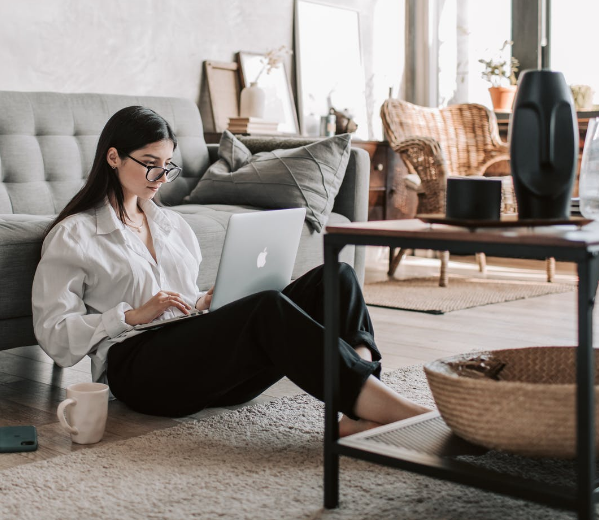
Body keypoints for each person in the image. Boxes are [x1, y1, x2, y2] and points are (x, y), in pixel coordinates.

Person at [32, 106, 430, 436]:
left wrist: (206, 302)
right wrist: (128, 316)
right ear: (114, 156)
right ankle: (394, 411)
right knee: (267, 308)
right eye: (150, 165)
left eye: (167, 166)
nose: (160, 178)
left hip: (201, 367)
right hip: (138, 371)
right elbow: (54, 333)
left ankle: (360, 408)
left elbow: (181, 299)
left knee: (336, 276)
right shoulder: (76, 234)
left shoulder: (173, 226)